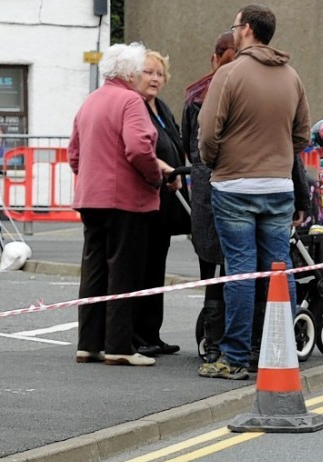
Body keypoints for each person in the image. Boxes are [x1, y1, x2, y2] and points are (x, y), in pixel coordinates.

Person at [197, 4, 311, 380]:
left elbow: (209, 132)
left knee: (241, 271)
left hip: (234, 184)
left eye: (234, 26)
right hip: (279, 185)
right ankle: (281, 349)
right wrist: (278, 158)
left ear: (245, 30)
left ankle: (234, 357)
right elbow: (302, 136)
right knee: (280, 269)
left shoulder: (229, 74)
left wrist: (216, 162)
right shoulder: (291, 76)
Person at [69, 42, 166, 368]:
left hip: (91, 196)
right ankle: (119, 346)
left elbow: (74, 153)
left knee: (94, 270)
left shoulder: (90, 101)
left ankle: (89, 344)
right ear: (129, 72)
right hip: (125, 199)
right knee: (124, 270)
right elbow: (139, 148)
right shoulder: (130, 101)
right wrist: (155, 177)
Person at [182, 31, 238, 366]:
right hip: (237, 185)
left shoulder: (195, 96)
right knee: (240, 268)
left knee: (212, 271)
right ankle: (235, 340)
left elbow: (192, 149)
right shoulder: (244, 90)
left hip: (205, 189)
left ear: (213, 58)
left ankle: (212, 342)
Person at [134, 49, 187, 358]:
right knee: (142, 267)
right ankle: (138, 334)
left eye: (159, 73)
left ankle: (152, 333)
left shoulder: (161, 107)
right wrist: (164, 168)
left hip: (167, 199)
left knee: (157, 267)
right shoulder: (134, 106)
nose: (154, 78)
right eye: (148, 72)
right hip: (146, 196)